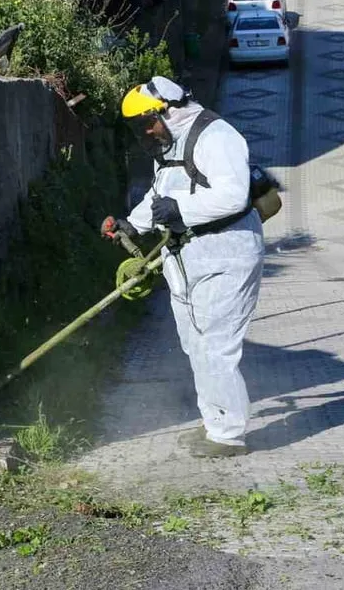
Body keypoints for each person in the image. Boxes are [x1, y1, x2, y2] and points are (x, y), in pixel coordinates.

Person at [101, 76, 265, 458]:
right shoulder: (169, 145)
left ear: (170, 110)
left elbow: (232, 194)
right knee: (195, 345)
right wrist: (133, 224)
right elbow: (161, 195)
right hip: (188, 258)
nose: (145, 131)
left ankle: (228, 435)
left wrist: (181, 211)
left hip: (228, 255)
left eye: (148, 121)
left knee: (215, 347)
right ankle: (214, 424)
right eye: (138, 126)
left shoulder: (216, 137)